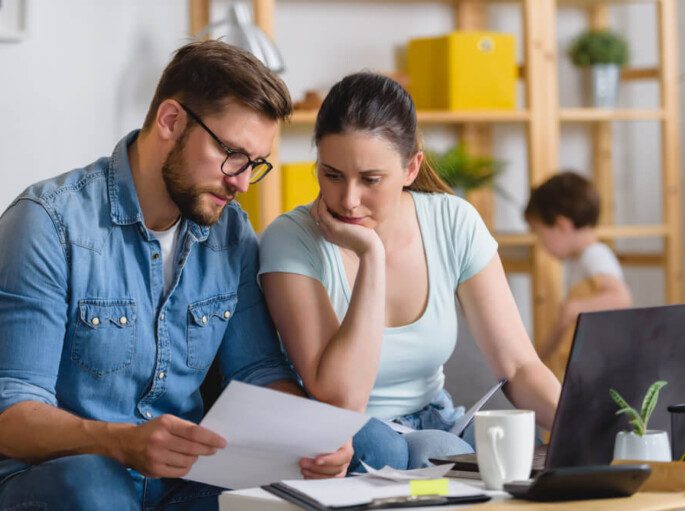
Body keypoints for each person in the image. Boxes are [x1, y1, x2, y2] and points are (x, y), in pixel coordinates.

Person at [0, 41, 353, 511]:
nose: (242, 182)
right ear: (170, 121)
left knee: (352, 458)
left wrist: (308, 437)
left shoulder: (231, 234)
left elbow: (256, 370)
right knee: (94, 485)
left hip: (181, 485)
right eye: (232, 154)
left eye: (256, 164)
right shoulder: (49, 223)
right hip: (63, 479)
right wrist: (120, 443)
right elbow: (12, 413)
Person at [258, 72, 561, 470]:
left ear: (411, 168)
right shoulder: (289, 239)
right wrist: (371, 257)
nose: (348, 199)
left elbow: (519, 367)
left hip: (436, 419)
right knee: (395, 451)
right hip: (346, 431)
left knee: (511, 442)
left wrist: (587, 429)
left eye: (371, 180)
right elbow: (339, 397)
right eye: (332, 175)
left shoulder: (453, 222)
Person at [524, 171, 633, 381]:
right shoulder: (580, 259)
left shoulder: (594, 254)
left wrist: (572, 309)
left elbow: (621, 298)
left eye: (540, 232)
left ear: (562, 225)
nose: (541, 243)